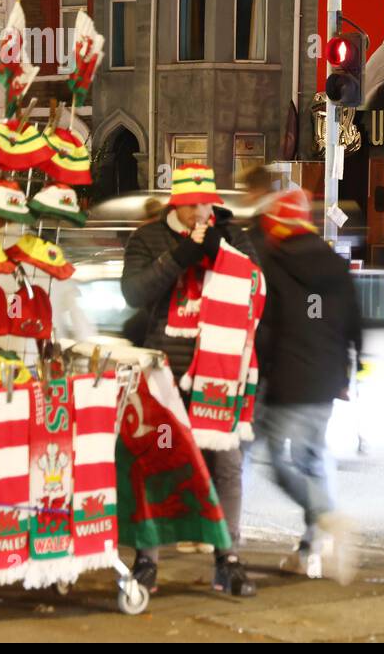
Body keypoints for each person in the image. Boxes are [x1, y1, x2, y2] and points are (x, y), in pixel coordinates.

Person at [119, 163, 259, 596]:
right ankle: (147, 559)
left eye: (208, 204)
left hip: (218, 371)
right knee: (157, 460)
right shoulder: (148, 239)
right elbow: (134, 293)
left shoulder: (229, 232)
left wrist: (222, 251)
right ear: (178, 204)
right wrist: (180, 257)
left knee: (226, 464)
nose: (204, 212)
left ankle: (227, 559)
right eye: (196, 204)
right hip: (167, 368)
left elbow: (254, 281)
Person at [253, 188, 363, 583]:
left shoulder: (273, 264)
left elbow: (266, 326)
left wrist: (258, 370)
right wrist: (349, 372)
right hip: (325, 380)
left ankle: (325, 517)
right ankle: (309, 550)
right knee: (313, 460)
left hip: (285, 378)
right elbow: (353, 319)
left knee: (279, 462)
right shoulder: (335, 264)